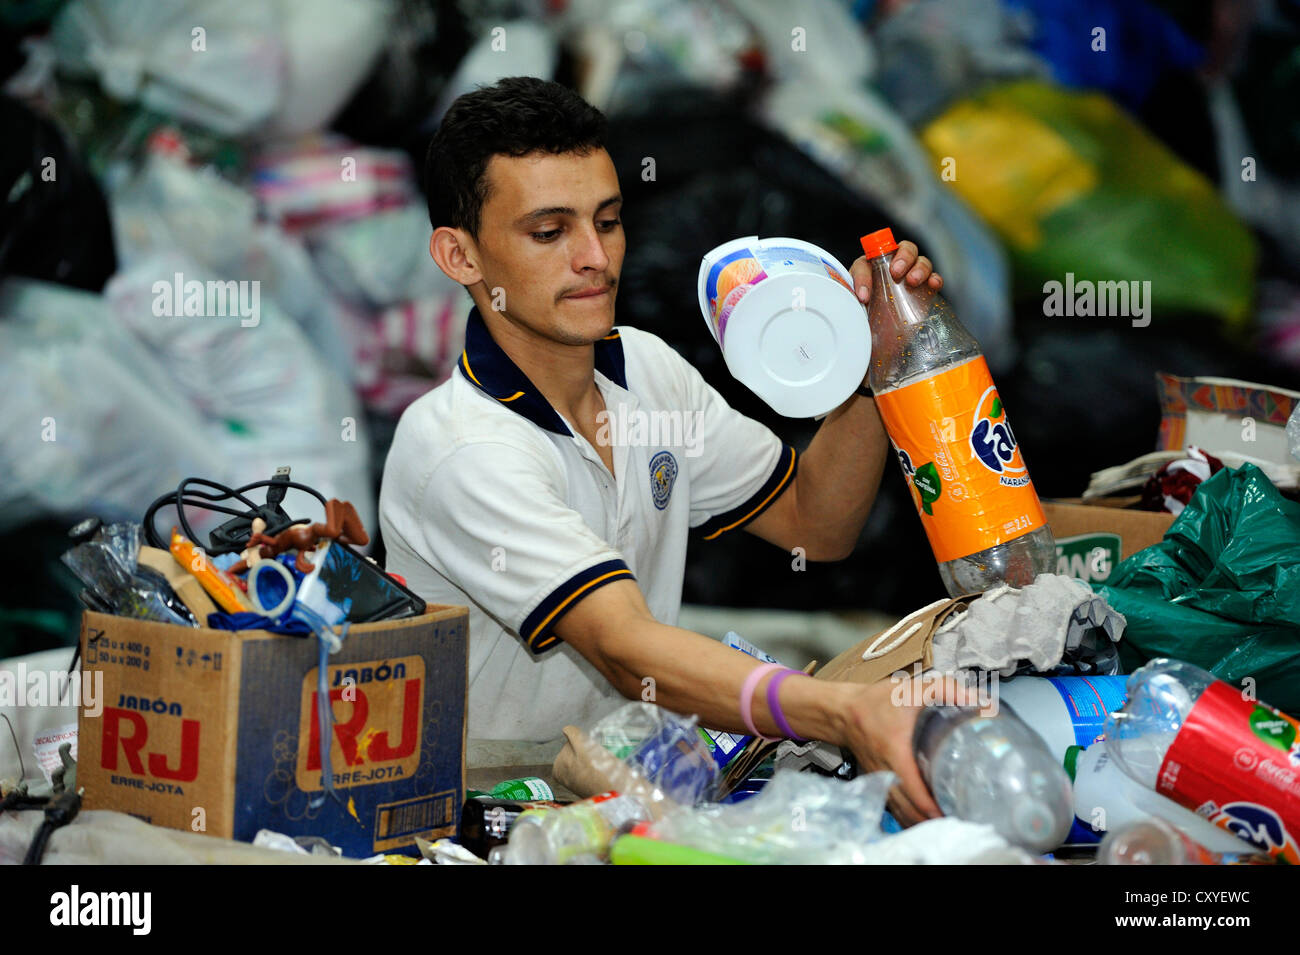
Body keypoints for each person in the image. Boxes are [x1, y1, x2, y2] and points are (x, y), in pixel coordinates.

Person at [380, 76, 951, 825]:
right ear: (461, 256)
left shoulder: (645, 371)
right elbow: (624, 646)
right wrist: (840, 710)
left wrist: (878, 366)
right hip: (481, 814)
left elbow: (819, 522)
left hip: (629, 788)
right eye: (549, 232)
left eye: (608, 221)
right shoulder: (460, 446)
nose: (595, 257)